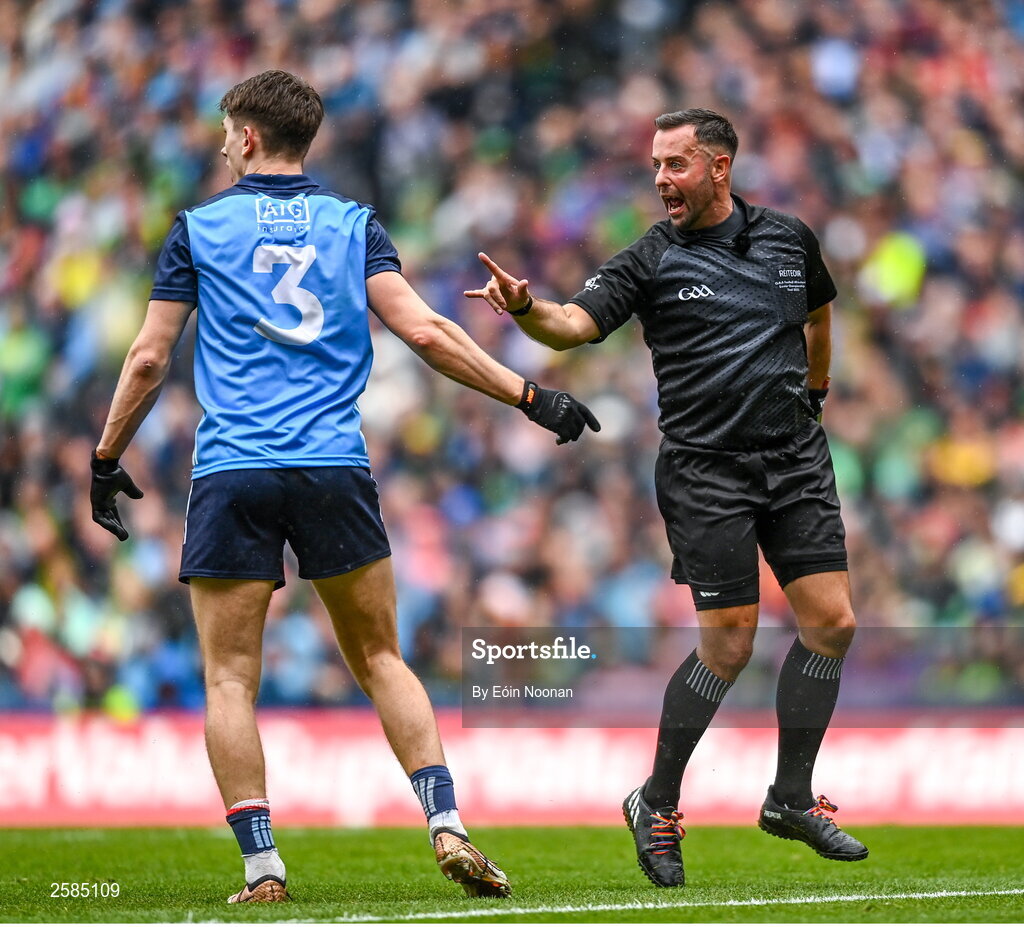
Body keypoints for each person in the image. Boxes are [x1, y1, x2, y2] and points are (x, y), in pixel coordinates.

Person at [90, 69, 599, 904]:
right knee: (381, 655)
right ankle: (447, 822)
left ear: (248, 138)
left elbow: (148, 358)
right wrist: (531, 395)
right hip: (332, 463)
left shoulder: (198, 228)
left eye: (226, 131)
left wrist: (108, 456)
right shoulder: (352, 224)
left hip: (234, 468)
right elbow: (428, 332)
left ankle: (262, 865)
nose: (221, 145)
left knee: (227, 677)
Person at [465, 108, 867, 888]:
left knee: (834, 621)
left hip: (794, 458)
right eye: (654, 165)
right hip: (705, 470)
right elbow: (572, 325)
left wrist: (816, 388)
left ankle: (788, 796)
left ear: (719, 167)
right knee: (730, 643)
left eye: (674, 164)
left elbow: (820, 311)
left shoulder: (789, 239)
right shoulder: (651, 257)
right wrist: (523, 307)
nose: (659, 180)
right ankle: (657, 801)